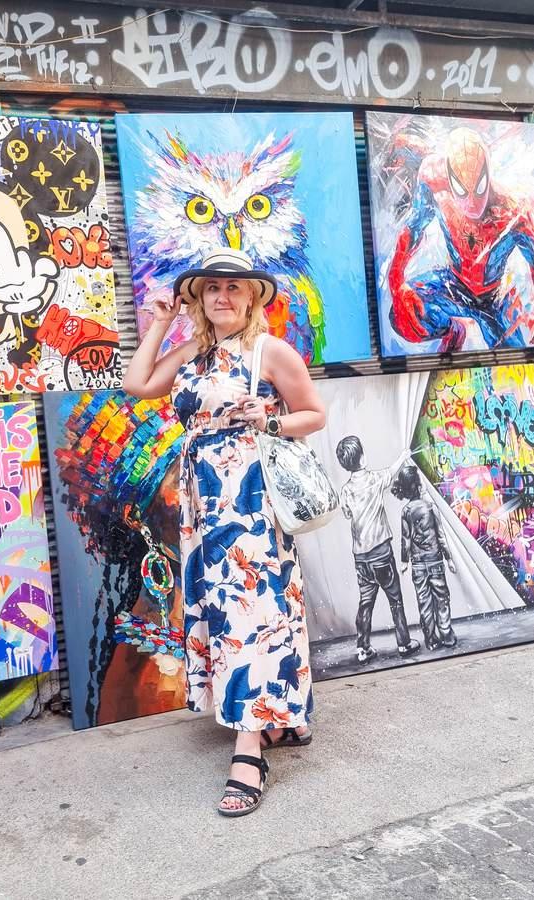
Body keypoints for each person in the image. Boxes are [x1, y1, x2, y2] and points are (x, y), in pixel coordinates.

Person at [123, 248, 325, 818]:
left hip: (251, 502)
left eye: (234, 287)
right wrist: (160, 322)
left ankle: (248, 751)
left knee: (252, 614)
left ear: (253, 296)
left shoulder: (270, 351)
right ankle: (280, 716)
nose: (223, 296)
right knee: (224, 611)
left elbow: (314, 414)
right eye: (212, 287)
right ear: (199, 299)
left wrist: (272, 419)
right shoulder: (192, 351)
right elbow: (139, 384)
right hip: (203, 504)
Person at [388, 127, 534, 351]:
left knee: (514, 358)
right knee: (402, 317)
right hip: (452, 285)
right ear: (449, 176)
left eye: (479, 188)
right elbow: (413, 228)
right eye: (463, 190)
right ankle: (454, 331)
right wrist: (396, 283)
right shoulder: (433, 181)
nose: (472, 203)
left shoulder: (514, 209)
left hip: (494, 299)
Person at [335, 436, 421, 665]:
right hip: (381, 552)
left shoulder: (346, 490)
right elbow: (392, 472)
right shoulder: (374, 480)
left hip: (360, 557)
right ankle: (404, 643)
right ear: (362, 458)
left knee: (366, 602)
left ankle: (363, 648)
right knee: (395, 599)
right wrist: (403, 456)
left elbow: (347, 514)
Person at [391, 465, 458, 650]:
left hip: (418, 565)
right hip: (435, 561)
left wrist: (404, 561)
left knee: (424, 602)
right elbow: (441, 535)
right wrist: (449, 559)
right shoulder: (430, 506)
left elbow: (405, 539)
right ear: (419, 485)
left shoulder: (406, 511)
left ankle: (431, 639)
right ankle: (447, 634)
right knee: (442, 599)